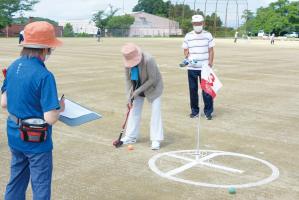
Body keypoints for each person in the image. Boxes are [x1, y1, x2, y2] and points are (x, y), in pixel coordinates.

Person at [1, 21, 65, 200]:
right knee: (41, 184)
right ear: (45, 49)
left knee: (16, 179)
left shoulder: (13, 66)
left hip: (14, 134)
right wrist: (60, 107)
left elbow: (4, 102)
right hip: (36, 139)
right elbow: (50, 118)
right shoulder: (44, 75)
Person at [120, 43, 164, 150]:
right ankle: (131, 136)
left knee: (155, 113)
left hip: (153, 88)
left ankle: (156, 139)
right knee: (134, 111)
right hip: (137, 87)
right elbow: (128, 80)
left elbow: (152, 79)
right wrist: (129, 96)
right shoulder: (127, 63)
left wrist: (138, 90)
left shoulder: (149, 60)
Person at [182, 15, 215, 120]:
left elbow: (211, 50)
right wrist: (187, 56)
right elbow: (185, 50)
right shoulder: (188, 36)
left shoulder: (208, 35)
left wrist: (210, 62)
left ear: (203, 23)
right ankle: (195, 111)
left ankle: (208, 112)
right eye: (195, 24)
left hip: (205, 68)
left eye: (199, 23)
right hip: (192, 68)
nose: (197, 25)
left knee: (207, 90)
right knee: (193, 90)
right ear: (193, 24)